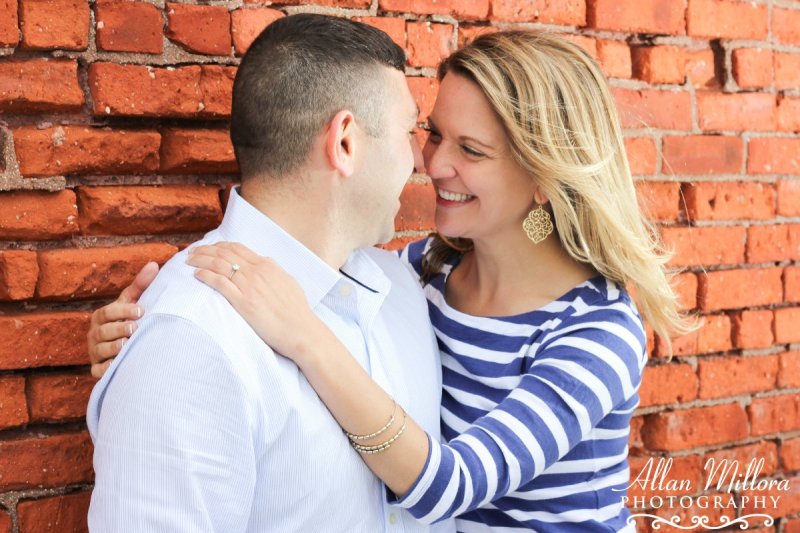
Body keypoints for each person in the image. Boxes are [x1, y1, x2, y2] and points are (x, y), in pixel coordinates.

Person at [90, 31, 694, 532]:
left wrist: (306, 334)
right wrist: (136, 338)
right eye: (429, 133)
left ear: (544, 175)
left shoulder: (596, 328)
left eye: (472, 149)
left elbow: (448, 486)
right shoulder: (422, 275)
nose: (432, 164)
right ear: (345, 141)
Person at [85, 14, 456, 533]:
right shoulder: (191, 340)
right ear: (345, 142)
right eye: (409, 130)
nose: (420, 158)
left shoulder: (402, 287)